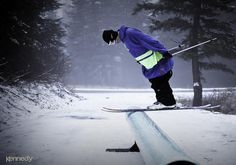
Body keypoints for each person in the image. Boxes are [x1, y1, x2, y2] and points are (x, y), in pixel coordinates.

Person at [102, 25, 176, 109]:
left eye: (112, 42)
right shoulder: (125, 39)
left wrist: (163, 51)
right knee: (156, 83)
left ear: (113, 36)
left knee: (160, 82)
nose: (115, 43)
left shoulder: (130, 33)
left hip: (158, 60)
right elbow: (139, 49)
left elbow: (149, 41)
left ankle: (168, 103)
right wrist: (140, 59)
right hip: (150, 65)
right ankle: (162, 101)